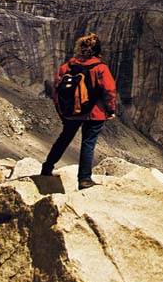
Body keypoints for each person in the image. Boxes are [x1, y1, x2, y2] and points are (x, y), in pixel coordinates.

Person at [41, 32, 117, 190]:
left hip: (71, 112)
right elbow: (109, 90)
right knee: (88, 143)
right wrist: (110, 110)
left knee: (64, 139)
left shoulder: (66, 67)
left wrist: (62, 112)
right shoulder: (100, 68)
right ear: (97, 50)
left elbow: (57, 91)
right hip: (94, 113)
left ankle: (47, 168)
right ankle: (84, 179)